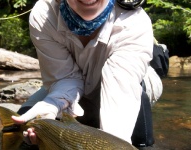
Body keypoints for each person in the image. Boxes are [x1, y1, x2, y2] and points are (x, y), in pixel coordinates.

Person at [11, 0, 163, 148]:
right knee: (19, 130)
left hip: (128, 85)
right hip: (76, 85)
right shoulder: (45, 14)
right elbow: (64, 78)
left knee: (139, 142)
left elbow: (120, 94)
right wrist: (54, 105)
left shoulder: (134, 22)